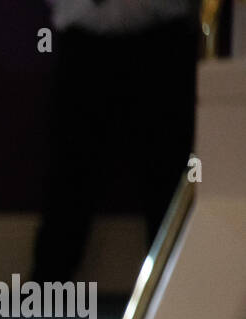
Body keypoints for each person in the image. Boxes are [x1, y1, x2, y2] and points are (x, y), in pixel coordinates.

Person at [30, 0, 198, 282]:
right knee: (69, 167)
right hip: (82, 39)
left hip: (160, 38)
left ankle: (173, 280)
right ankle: (49, 280)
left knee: (166, 169)